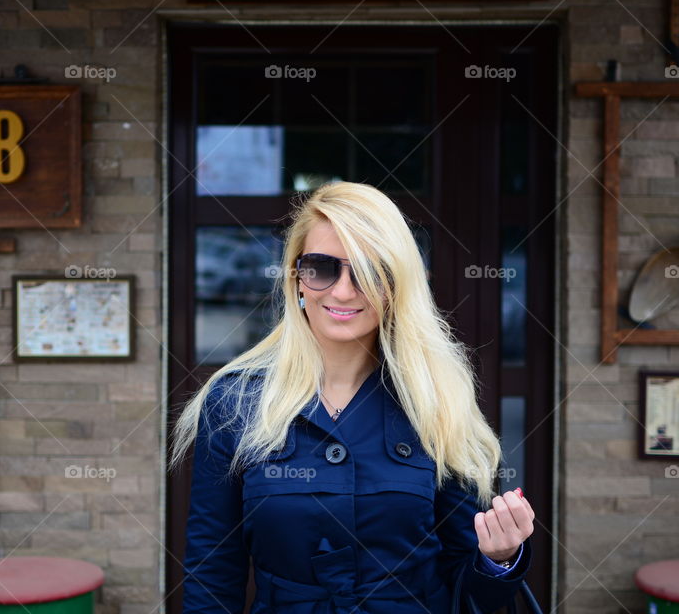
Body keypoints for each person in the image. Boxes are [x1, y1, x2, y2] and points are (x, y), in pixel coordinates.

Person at [170, 181, 535, 614]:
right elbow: (212, 576)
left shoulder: (437, 401)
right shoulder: (235, 403)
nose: (343, 291)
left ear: (394, 285)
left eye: (367, 270)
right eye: (321, 268)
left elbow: (469, 591)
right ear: (297, 279)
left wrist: (498, 561)